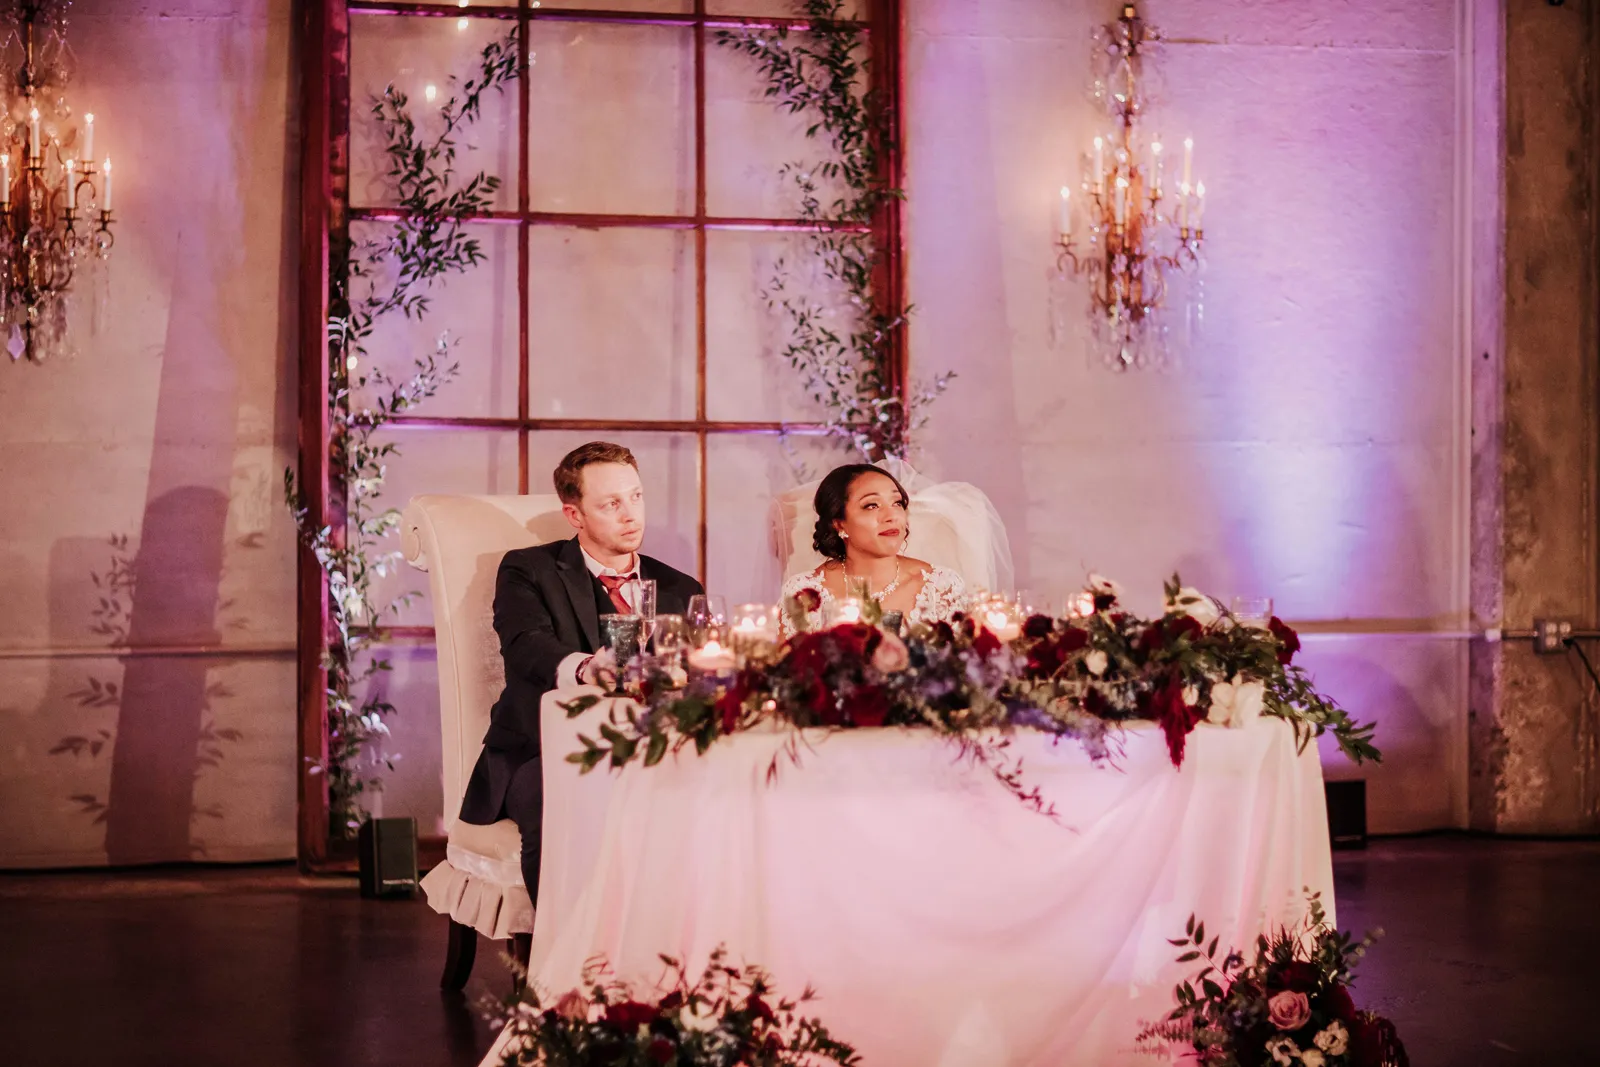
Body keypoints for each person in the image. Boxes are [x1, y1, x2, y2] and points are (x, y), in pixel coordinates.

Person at [455, 441, 703, 902]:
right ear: (575, 515)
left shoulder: (679, 588)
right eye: (611, 504)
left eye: (636, 497)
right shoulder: (529, 570)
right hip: (544, 752)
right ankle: (559, 963)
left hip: (650, 748)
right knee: (564, 808)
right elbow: (526, 644)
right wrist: (589, 667)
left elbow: (697, 670)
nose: (631, 515)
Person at [779, 463, 965, 638]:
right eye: (872, 505)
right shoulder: (804, 593)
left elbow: (965, 667)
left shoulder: (940, 587)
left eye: (897, 503)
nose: (891, 516)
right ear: (839, 523)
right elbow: (786, 668)